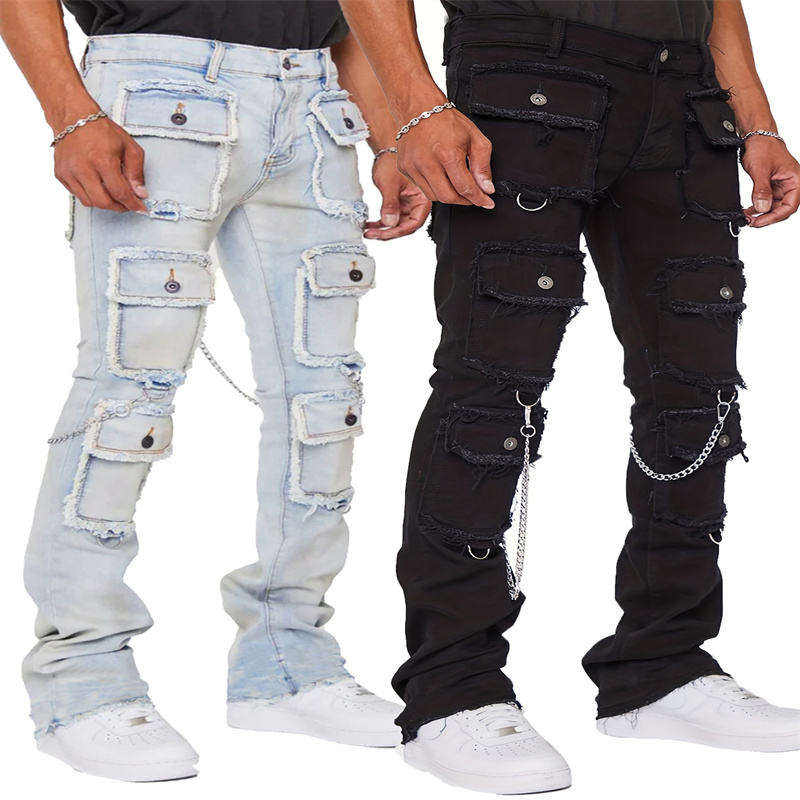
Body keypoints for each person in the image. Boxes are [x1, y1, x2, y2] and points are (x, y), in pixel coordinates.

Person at [340, 0, 800, 793]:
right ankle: (452, 688)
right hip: (523, 78)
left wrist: (754, 119)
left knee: (698, 393)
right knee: (493, 390)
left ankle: (662, 664)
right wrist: (415, 107)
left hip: (686, 95)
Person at [1, 0, 430, 782]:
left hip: (316, 97)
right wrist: (70, 114)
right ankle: (81, 680)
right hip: (155, 85)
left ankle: (286, 660)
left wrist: (389, 133)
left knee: (324, 397)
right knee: (129, 390)